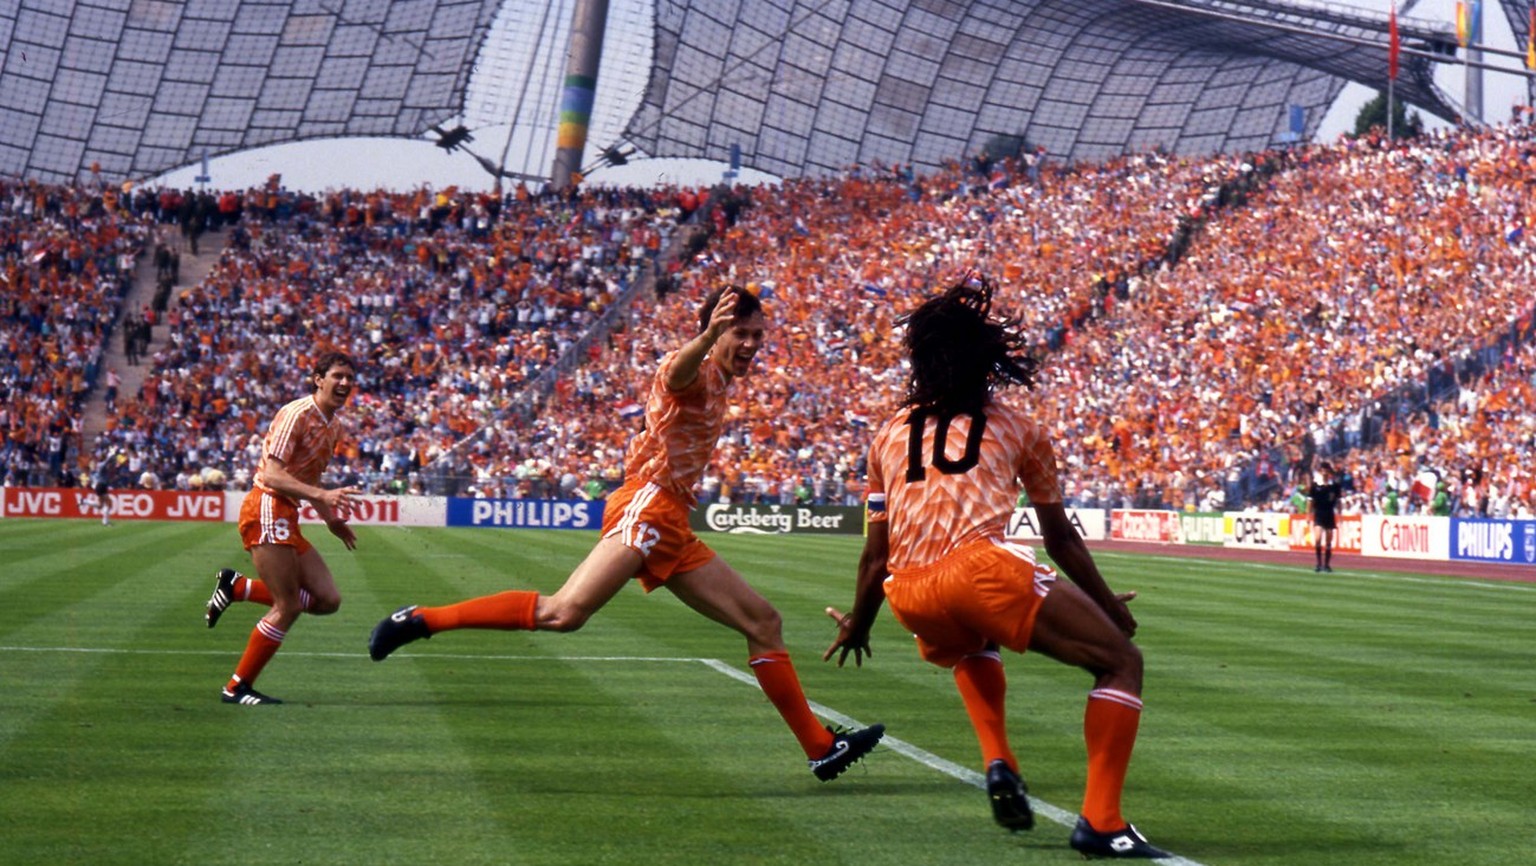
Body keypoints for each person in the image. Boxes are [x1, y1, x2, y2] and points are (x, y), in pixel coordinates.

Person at [368, 286, 884, 781]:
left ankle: (820, 748)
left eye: (756, 335)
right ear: (714, 331)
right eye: (739, 334)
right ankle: (421, 619)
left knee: (764, 622)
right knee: (564, 613)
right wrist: (706, 338)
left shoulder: (723, 380)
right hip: (648, 502)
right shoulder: (695, 370)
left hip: (671, 518)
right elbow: (677, 373)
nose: (749, 345)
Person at [823, 277, 1167, 858]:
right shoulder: (1018, 427)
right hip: (981, 568)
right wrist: (1110, 609)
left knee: (972, 643)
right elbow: (1059, 538)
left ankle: (998, 761)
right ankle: (1102, 824)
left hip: (908, 590)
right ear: (988, 360)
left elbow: (875, 554)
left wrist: (859, 621)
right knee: (1120, 664)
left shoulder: (887, 434)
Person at [204, 351, 363, 705]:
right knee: (288, 606)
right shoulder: (296, 415)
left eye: (350, 378)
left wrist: (330, 519)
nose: (345, 383)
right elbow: (273, 474)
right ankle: (236, 686)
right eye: (337, 375)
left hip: (285, 512)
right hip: (266, 505)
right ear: (318, 379)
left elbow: (309, 478)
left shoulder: (333, 425)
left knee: (327, 600)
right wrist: (322, 495)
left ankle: (238, 587)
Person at [1307, 462, 1343, 572]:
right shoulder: (1315, 485)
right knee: (1317, 539)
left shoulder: (1334, 486)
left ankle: (1326, 565)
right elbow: (1310, 501)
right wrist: (1308, 515)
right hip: (1319, 513)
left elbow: (1339, 501)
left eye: (1326, 470)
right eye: (1323, 470)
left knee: (1328, 540)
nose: (1325, 472)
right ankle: (1318, 563)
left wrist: (1340, 514)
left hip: (1329, 513)